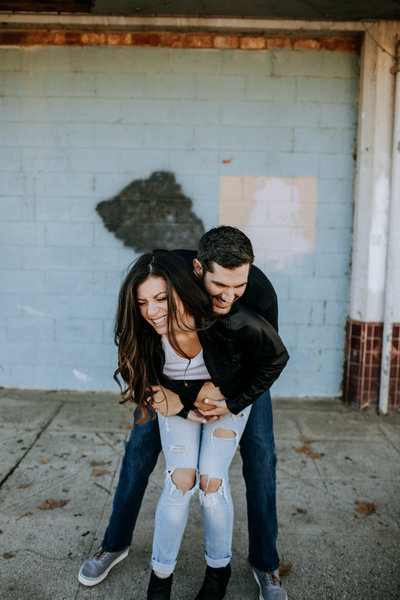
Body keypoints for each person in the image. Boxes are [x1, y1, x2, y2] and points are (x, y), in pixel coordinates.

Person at [79, 227, 289, 600]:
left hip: (239, 379)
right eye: (219, 285)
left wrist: (231, 395)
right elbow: (134, 353)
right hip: (173, 382)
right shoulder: (163, 282)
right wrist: (165, 397)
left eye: (237, 285)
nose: (229, 294)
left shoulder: (256, 292)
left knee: (261, 456)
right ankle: (114, 544)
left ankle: (266, 564)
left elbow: (264, 357)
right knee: (140, 450)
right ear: (196, 271)